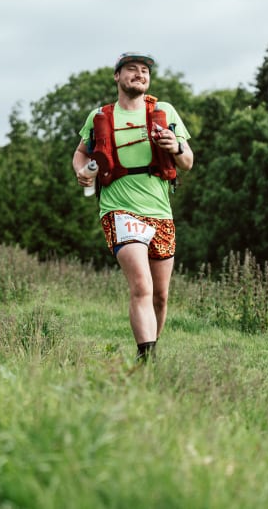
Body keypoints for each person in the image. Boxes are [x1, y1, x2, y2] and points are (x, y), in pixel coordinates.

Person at [72, 53, 193, 362]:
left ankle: (148, 356)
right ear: (117, 76)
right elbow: (81, 153)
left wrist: (176, 146)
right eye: (131, 69)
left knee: (160, 296)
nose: (139, 74)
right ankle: (147, 360)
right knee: (141, 284)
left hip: (160, 211)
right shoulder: (100, 116)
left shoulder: (164, 111)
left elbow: (187, 161)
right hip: (119, 209)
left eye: (144, 71)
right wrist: (82, 172)